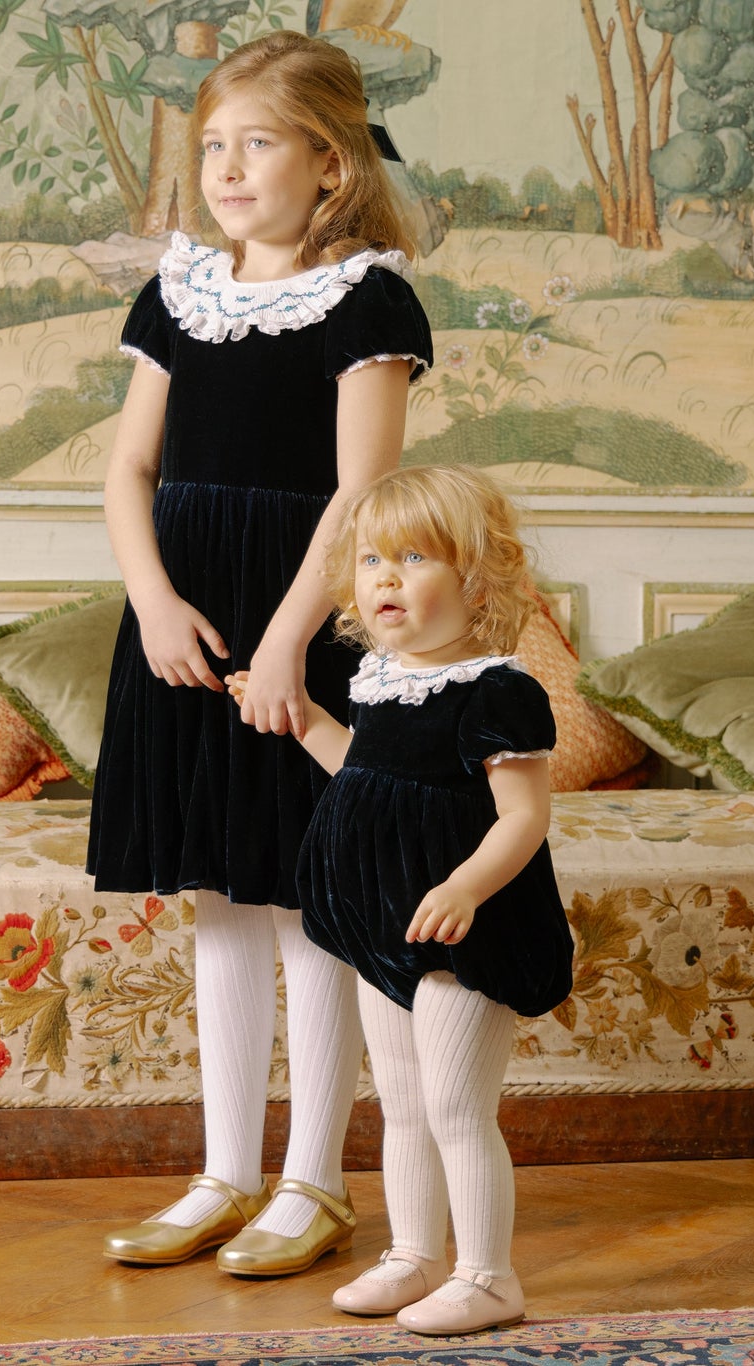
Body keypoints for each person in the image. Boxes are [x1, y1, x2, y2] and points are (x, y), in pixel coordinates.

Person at [86, 29, 433, 1278]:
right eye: (213, 145)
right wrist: (155, 603)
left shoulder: (369, 301)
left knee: (306, 898)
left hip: (307, 621)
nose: (228, 168)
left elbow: (361, 495)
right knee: (221, 894)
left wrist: (289, 640)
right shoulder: (175, 292)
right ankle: (225, 1169)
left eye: (259, 143)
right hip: (185, 619)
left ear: (329, 165)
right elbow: (129, 467)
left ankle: (313, 1183)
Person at [228, 465, 575, 1335]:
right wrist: (305, 718)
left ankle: (489, 1276)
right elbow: (368, 776)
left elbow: (524, 817)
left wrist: (465, 886)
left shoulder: (499, 691)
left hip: (466, 930)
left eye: (414, 556)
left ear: (478, 578)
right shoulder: (381, 678)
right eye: (374, 557)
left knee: (458, 1104)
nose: (385, 575)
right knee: (406, 1103)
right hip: (381, 923)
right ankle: (415, 1255)